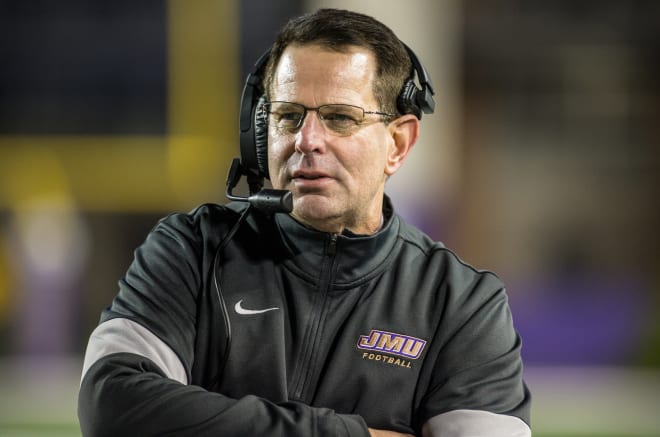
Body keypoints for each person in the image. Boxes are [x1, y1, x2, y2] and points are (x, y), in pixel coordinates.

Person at [78, 8, 531, 437]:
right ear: (260, 132)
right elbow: (112, 407)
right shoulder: (190, 250)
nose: (307, 140)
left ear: (398, 142)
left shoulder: (463, 304)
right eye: (288, 116)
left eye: (339, 118)